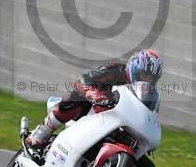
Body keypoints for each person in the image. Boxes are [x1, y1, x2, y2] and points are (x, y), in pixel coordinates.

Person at [25, 49, 164, 153]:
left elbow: (148, 114)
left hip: (118, 122)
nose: (146, 80)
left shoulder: (148, 93)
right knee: (77, 97)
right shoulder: (116, 71)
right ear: (134, 67)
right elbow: (82, 80)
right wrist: (93, 93)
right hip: (92, 110)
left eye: (151, 78)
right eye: (144, 75)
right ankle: (43, 131)